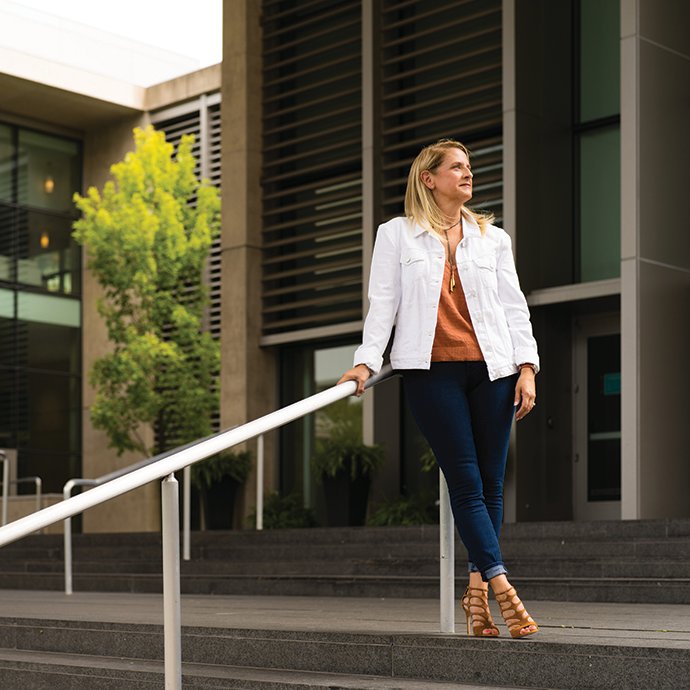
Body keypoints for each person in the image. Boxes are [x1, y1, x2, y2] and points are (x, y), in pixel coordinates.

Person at [337, 138, 539, 638]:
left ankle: (476, 595)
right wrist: (366, 363)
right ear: (429, 178)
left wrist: (528, 366)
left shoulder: (494, 238)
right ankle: (503, 587)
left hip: (493, 370)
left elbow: (514, 307)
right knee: (466, 482)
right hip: (431, 372)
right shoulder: (397, 235)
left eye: (469, 167)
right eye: (456, 167)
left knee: (492, 484)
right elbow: (381, 305)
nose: (468, 174)